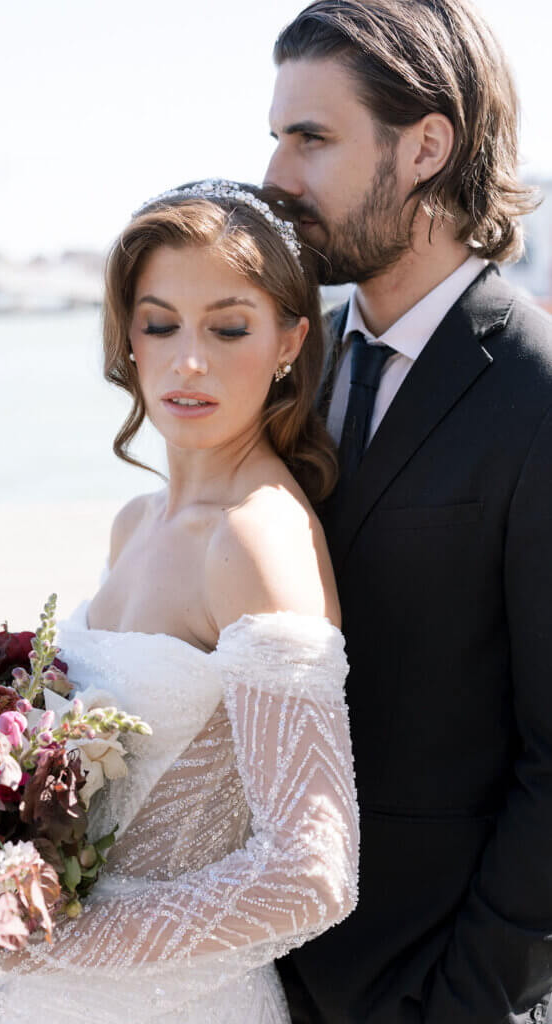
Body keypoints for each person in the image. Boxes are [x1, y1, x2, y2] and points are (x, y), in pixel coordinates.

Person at [0, 181, 359, 1024]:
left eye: (228, 327)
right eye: (159, 323)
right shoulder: (134, 523)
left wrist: (57, 939)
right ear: (127, 340)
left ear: (289, 341)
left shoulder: (255, 538)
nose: (188, 360)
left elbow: (310, 872)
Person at [264, 2, 552, 1022]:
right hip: (261, 978)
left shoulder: (536, 391)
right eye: (276, 137)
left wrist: (467, 1000)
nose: (275, 178)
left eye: (311, 138)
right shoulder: (287, 362)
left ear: (424, 145)